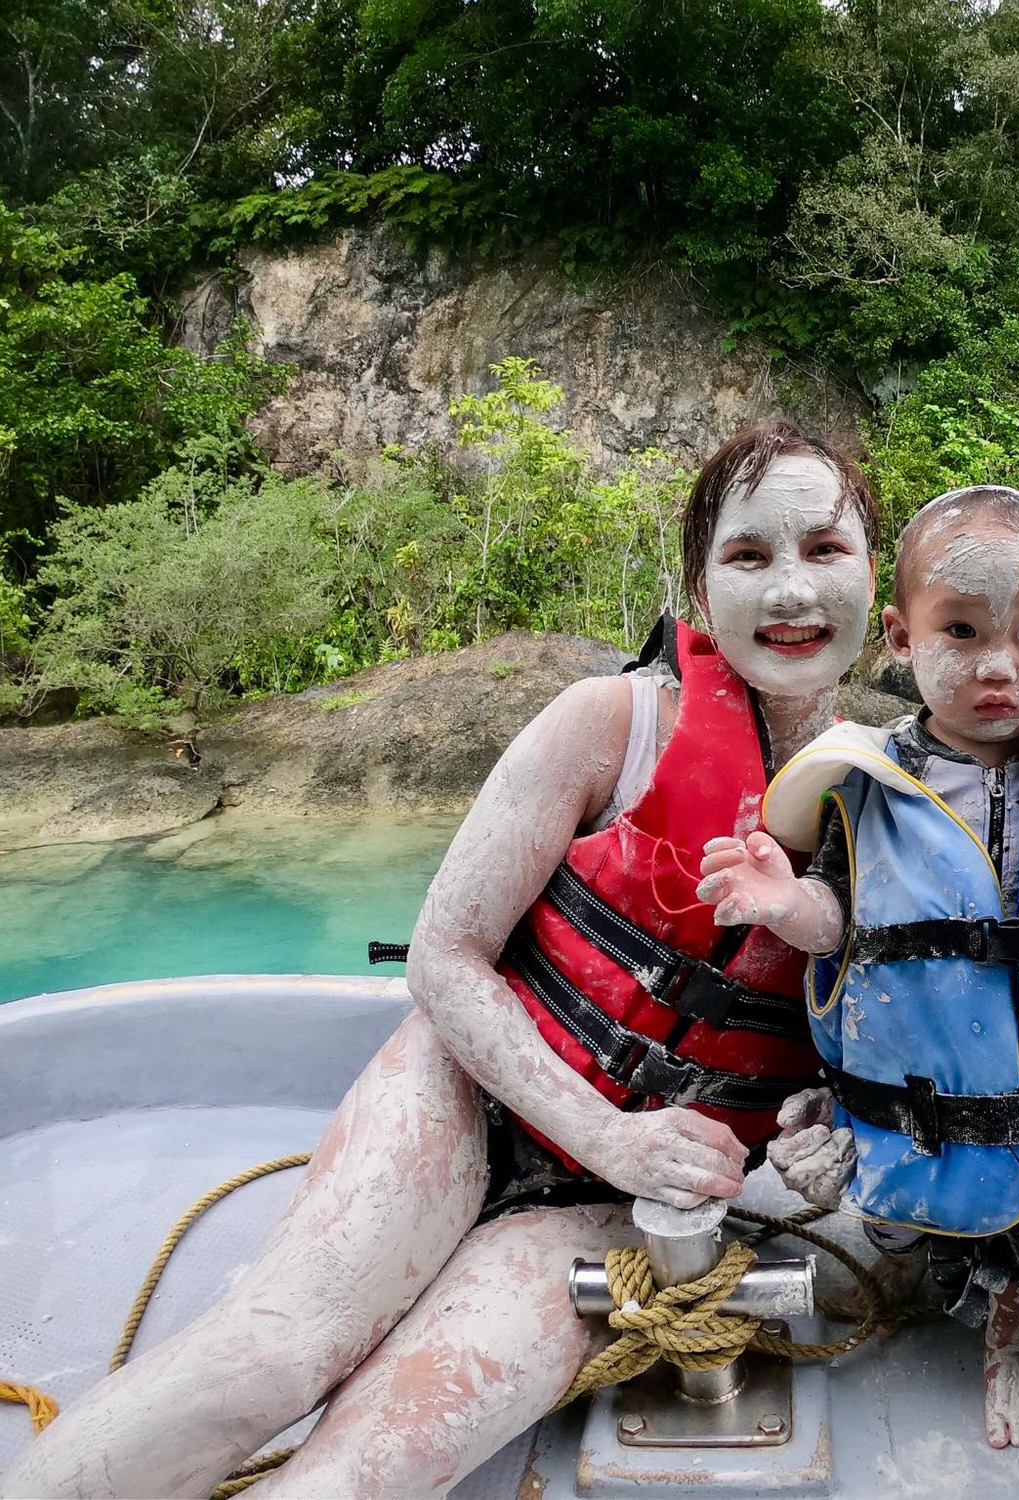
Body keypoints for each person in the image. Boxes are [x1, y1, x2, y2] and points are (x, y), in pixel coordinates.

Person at [1, 420, 882, 1500]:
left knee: (370, 1471)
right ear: (701, 590)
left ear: (874, 587)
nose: (789, 590)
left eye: (824, 550)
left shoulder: (902, 821)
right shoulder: (608, 724)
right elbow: (444, 956)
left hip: (621, 1201)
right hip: (470, 1090)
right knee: (267, 1356)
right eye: (749, 556)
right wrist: (606, 1129)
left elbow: (879, 1049)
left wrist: (826, 1124)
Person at [695, 485, 1019, 1449]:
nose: (1000, 666)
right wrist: (786, 904)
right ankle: (917, 1258)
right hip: (909, 1100)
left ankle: (1010, 1333)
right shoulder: (866, 785)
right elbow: (845, 919)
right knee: (899, 1229)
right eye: (961, 630)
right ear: (901, 638)